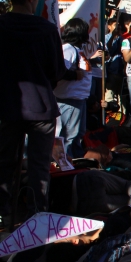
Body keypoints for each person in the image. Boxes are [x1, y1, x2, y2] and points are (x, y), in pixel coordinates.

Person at [0, 0, 66, 226]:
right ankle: (38, 216)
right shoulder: (46, 29)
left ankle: (4, 214)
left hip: (8, 106)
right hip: (40, 106)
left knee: (5, 162)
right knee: (39, 166)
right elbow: (57, 71)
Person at [54, 18, 92, 158]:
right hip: (68, 101)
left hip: (77, 100)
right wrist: (75, 75)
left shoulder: (75, 49)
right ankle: (66, 163)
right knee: (68, 136)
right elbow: (59, 71)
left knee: (77, 134)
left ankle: (74, 160)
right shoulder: (68, 49)